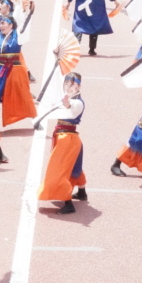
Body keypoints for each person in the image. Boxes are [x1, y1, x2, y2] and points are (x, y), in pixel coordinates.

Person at [38, 72, 87, 215]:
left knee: (58, 171)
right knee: (72, 167)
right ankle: (82, 192)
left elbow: (70, 108)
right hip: (65, 137)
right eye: (67, 83)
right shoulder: (68, 97)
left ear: (79, 86)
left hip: (68, 139)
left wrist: (65, 101)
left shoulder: (77, 102)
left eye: (73, 84)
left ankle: (68, 203)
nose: (69, 86)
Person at [0, 15, 37, 126]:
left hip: (15, 70)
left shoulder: (18, 35)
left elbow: (25, 26)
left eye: (3, 23)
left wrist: (30, 12)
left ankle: (35, 120)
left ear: (11, 25)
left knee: (23, 96)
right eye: (0, 23)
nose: (0, 26)